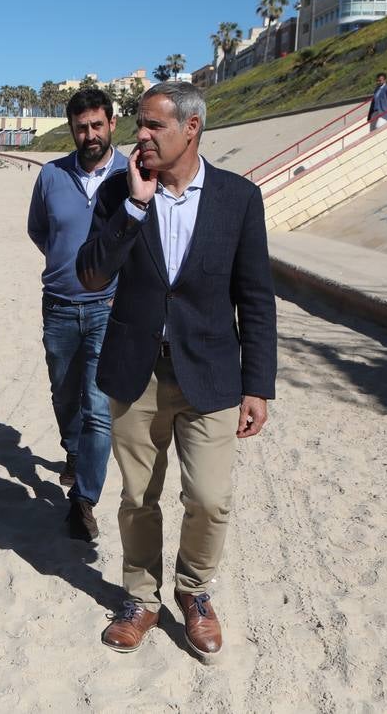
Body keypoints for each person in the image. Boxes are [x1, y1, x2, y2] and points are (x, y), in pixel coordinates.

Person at [76, 81, 276, 660]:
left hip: (211, 373)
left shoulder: (239, 198)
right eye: (139, 123)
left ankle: (193, 591)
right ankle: (140, 599)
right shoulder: (119, 192)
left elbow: (255, 296)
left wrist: (258, 384)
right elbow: (91, 274)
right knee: (139, 496)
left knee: (210, 498)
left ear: (191, 129)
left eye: (154, 125)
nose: (139, 135)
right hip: (136, 371)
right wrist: (135, 207)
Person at [26, 88, 127, 540]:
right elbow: (39, 229)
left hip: (109, 307)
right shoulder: (50, 175)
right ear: (72, 128)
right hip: (60, 306)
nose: (90, 134)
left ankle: (83, 501)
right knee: (65, 395)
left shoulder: (134, 173)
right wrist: (68, 264)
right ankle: (72, 449)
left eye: (97, 125)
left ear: (112, 124)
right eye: (81, 127)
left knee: (98, 408)